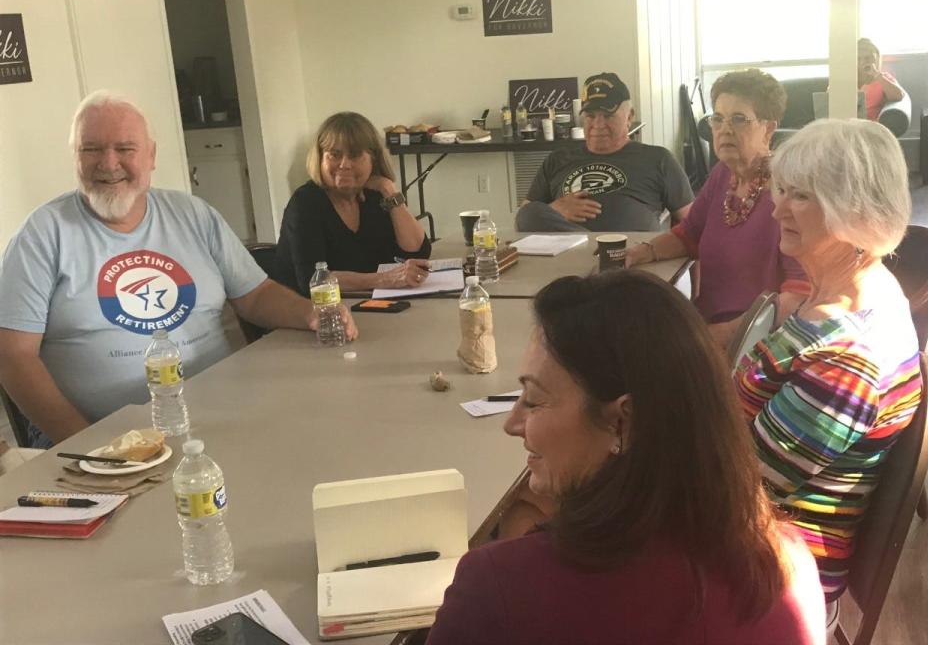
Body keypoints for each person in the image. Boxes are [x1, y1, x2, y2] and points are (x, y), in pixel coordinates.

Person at [428, 270, 826, 645]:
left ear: (624, 421)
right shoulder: (790, 564)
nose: (513, 423)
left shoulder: (497, 588)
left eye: (533, 400)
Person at [0, 91, 357, 448]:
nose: (109, 163)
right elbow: (13, 355)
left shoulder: (193, 214)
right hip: (99, 437)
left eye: (125, 149)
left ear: (151, 156)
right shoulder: (41, 235)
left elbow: (256, 295)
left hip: (221, 417)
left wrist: (310, 312)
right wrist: (91, 447)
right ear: (74, 156)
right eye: (91, 149)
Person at [735, 118, 921, 622]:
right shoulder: (845, 297)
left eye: (799, 196)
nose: (776, 209)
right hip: (751, 541)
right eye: (781, 190)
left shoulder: (850, 360)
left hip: (767, 580)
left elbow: (737, 489)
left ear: (855, 211)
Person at [626, 69, 809, 345]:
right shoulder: (722, 175)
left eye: (739, 119)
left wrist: (724, 337)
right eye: (718, 119)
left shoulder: (788, 188)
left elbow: (798, 294)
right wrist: (641, 253)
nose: (725, 129)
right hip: (705, 324)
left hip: (756, 342)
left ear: (768, 128)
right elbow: (688, 235)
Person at [274, 112, 431, 296]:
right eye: (334, 155)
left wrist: (388, 189)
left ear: (373, 159)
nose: (344, 164)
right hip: (309, 313)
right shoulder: (305, 203)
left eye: (355, 155)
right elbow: (313, 280)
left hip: (364, 305)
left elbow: (417, 252)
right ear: (320, 158)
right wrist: (385, 279)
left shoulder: (376, 196)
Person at [514, 72, 693, 233]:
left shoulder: (658, 159)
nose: (598, 125)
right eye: (591, 116)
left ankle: (601, 249)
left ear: (629, 116)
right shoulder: (557, 159)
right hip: (566, 258)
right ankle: (593, 248)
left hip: (632, 259)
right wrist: (555, 209)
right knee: (527, 213)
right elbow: (525, 220)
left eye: (608, 116)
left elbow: (694, 223)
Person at [858, 37, 906, 122]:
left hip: (871, 126)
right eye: (858, 59)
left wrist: (877, 75)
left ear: (876, 59)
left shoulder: (883, 78)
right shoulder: (847, 78)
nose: (863, 62)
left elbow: (899, 96)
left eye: (868, 58)